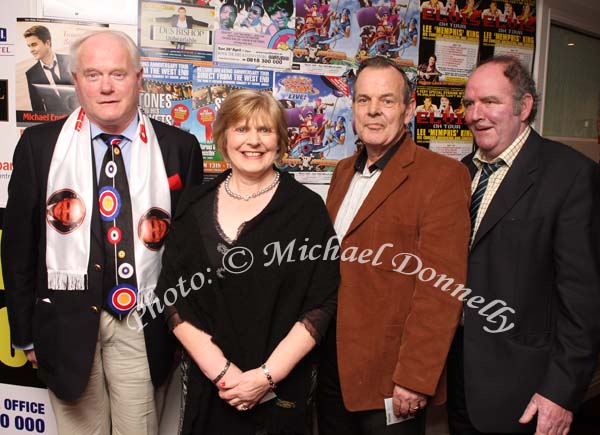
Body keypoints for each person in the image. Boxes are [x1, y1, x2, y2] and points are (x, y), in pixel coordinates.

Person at [2, 30, 204, 435]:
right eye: (93, 75)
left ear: (138, 78)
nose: (107, 86)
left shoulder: (178, 147)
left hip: (145, 325)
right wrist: (24, 333)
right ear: (75, 81)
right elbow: (19, 245)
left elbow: (191, 252)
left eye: (118, 73)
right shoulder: (39, 145)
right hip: (65, 323)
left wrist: (187, 329)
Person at [154, 88, 339, 434]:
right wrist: (225, 375)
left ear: (280, 140)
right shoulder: (194, 205)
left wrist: (264, 378)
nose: (253, 141)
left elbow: (322, 302)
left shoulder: (306, 209)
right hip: (212, 390)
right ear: (222, 136)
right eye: (241, 129)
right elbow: (172, 297)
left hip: (282, 392)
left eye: (265, 130)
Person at [317, 56, 471, 435]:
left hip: (391, 378)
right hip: (332, 368)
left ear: (408, 109)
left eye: (386, 100)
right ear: (352, 107)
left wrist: (416, 378)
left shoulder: (442, 176)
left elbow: (440, 288)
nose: (373, 111)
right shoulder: (341, 171)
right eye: (363, 100)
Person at [447, 56, 600, 435]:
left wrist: (561, 392)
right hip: (459, 377)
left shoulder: (571, 176)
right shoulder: (459, 174)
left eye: (490, 102)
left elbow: (584, 300)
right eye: (469, 104)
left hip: (527, 392)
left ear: (524, 106)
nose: (475, 114)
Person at [23, 25, 74, 113]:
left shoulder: (70, 60)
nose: (31, 50)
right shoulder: (31, 74)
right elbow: (37, 107)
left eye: (34, 45)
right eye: (29, 46)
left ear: (47, 43)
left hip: (77, 119)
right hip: (53, 122)